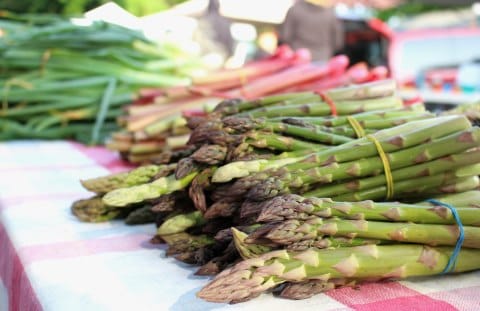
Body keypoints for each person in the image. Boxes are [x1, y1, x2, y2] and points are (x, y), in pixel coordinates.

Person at [279, 0, 344, 62]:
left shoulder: (295, 9)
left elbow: (285, 37)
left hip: (297, 57)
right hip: (322, 58)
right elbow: (338, 42)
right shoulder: (331, 14)